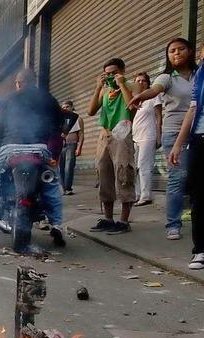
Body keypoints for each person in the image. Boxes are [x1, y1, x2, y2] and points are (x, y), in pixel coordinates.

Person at [0, 68, 66, 248]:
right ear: (34, 82)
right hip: (39, 149)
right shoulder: (48, 98)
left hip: (10, 148)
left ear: (19, 83)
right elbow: (59, 124)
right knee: (51, 183)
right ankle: (56, 223)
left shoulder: (8, 99)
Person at [129, 38, 197, 240]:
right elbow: (155, 89)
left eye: (181, 49)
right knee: (178, 177)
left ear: (190, 51)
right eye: (172, 51)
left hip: (200, 131)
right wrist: (142, 96)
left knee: (202, 176)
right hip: (174, 133)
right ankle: (173, 224)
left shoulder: (199, 73)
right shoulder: (167, 77)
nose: (176, 53)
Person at [171, 12, 204, 270]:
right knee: (200, 198)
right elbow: (193, 108)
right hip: (202, 137)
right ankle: (201, 249)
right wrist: (179, 143)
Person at [87, 58, 135, 235]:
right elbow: (90, 111)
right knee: (104, 175)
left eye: (114, 73)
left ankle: (123, 221)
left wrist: (121, 84)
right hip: (105, 135)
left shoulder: (131, 86)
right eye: (107, 73)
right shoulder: (105, 90)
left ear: (122, 71)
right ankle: (108, 219)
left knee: (124, 174)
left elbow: (132, 106)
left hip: (122, 133)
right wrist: (98, 88)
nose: (110, 76)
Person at [129, 72, 163, 207]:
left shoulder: (153, 96)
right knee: (135, 167)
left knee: (144, 166)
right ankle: (137, 194)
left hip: (148, 136)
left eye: (143, 80)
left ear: (148, 83)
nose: (140, 83)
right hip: (135, 136)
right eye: (137, 81)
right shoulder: (135, 99)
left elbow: (159, 117)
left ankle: (146, 195)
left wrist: (159, 136)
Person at [59, 100, 85, 195]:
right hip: (61, 145)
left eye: (67, 107)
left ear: (72, 107)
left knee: (69, 167)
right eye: (63, 107)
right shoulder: (60, 118)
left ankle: (68, 188)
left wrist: (79, 147)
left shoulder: (78, 118)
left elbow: (81, 134)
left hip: (72, 144)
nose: (65, 109)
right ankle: (63, 188)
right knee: (60, 167)